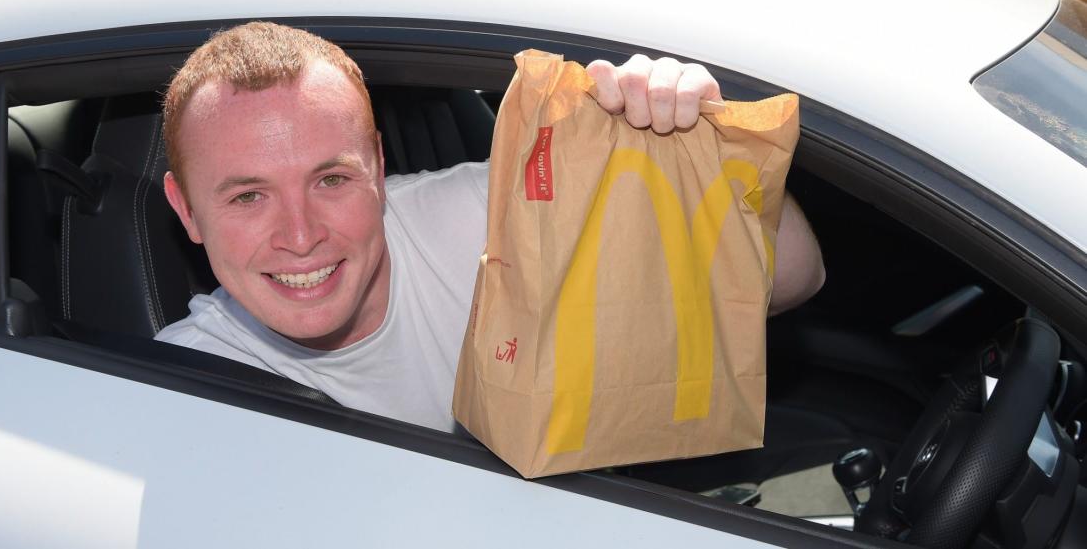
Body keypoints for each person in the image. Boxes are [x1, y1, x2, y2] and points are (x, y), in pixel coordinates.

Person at [156, 22, 825, 432]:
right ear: (185, 209)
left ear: (379, 167)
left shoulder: (487, 219)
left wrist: (704, 151)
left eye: (332, 179)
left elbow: (793, 272)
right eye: (248, 196)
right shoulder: (175, 393)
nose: (300, 235)